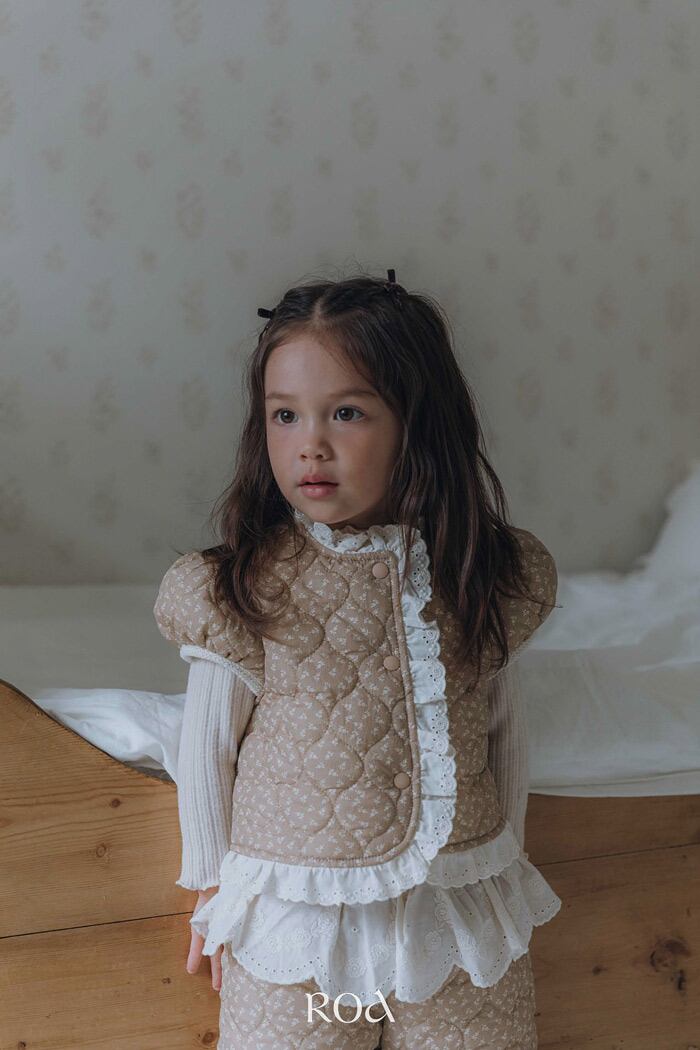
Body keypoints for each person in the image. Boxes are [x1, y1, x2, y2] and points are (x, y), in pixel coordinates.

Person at [154, 270, 562, 1049]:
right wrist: (211, 888)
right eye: (284, 415)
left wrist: (504, 861)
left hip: (455, 908)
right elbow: (207, 746)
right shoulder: (246, 586)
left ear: (418, 424)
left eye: (346, 412)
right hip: (299, 917)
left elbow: (505, 732)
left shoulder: (480, 577)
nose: (310, 443)